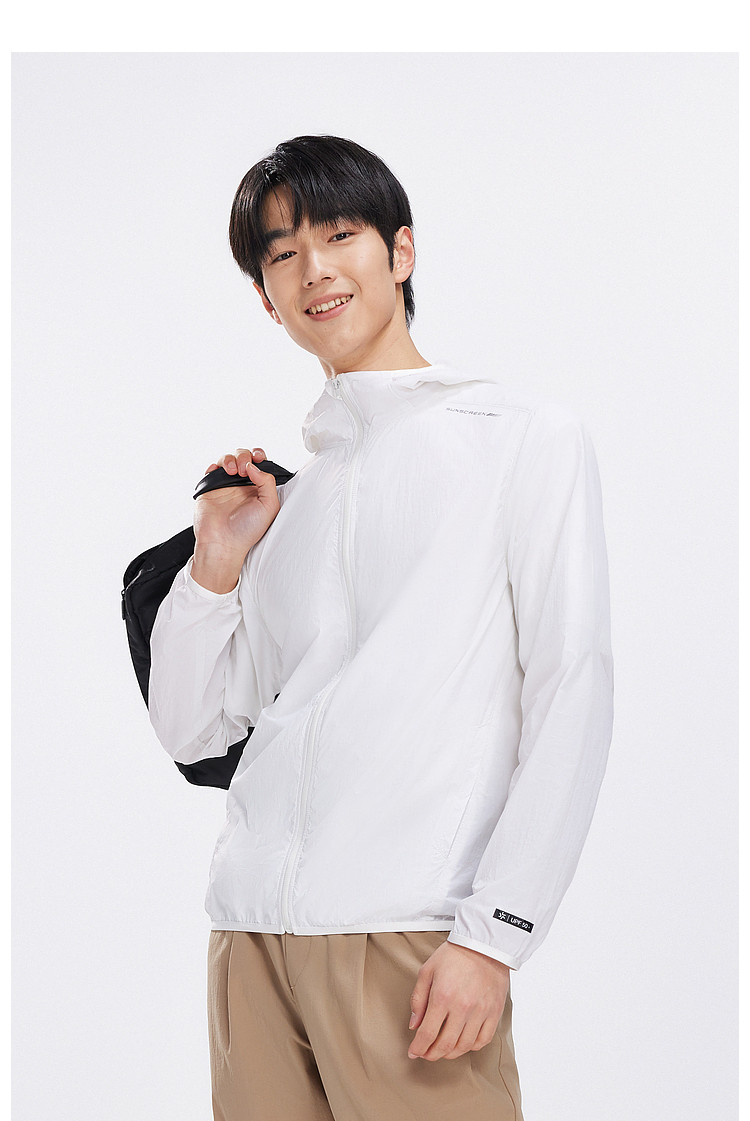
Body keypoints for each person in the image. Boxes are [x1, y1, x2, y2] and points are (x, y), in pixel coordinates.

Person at [148, 135, 614, 1121]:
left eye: (339, 235)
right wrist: (215, 566)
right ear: (267, 299)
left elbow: (572, 686)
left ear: (400, 251)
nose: (313, 269)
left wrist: (496, 932)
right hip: (251, 942)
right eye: (282, 255)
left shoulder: (520, 437)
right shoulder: (288, 506)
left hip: (412, 935)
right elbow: (192, 730)